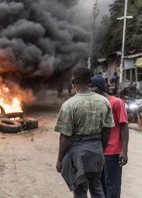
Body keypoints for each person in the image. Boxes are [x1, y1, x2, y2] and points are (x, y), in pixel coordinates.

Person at [55, 67, 114, 197]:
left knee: (80, 191)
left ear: (72, 81)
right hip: (96, 152)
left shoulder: (69, 105)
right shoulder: (104, 102)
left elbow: (65, 137)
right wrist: (101, 150)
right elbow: (107, 131)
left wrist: (59, 160)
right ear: (90, 81)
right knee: (96, 188)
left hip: (78, 155)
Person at [90, 75, 129, 198]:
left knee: (112, 185)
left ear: (100, 87)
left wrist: (124, 150)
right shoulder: (94, 104)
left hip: (112, 153)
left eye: (92, 87)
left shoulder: (116, 102)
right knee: (99, 186)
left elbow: (124, 126)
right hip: (97, 151)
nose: (90, 89)